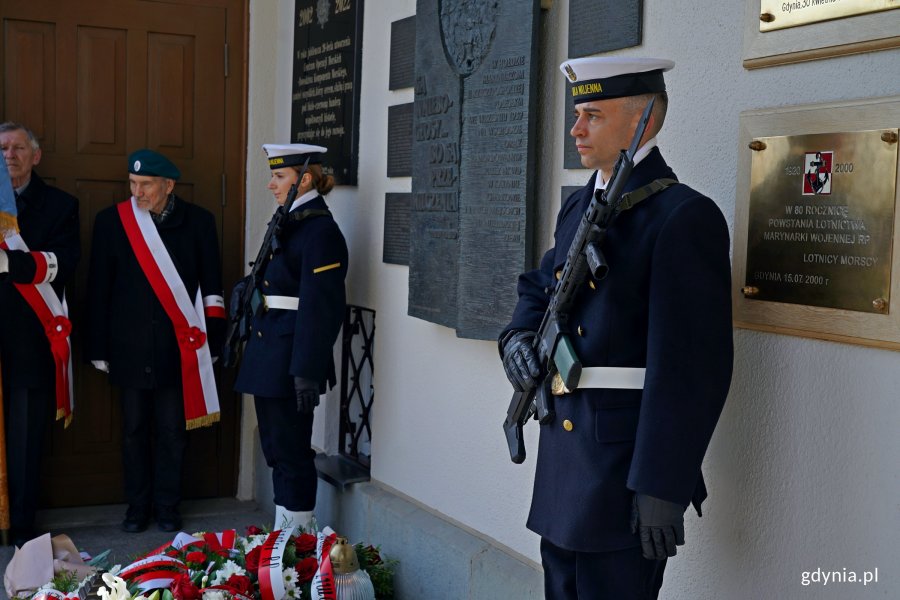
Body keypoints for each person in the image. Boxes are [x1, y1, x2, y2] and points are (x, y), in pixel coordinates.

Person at [499, 57, 733, 599]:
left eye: (593, 116)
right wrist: (515, 337)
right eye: (578, 114)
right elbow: (539, 286)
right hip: (565, 460)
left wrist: (662, 485)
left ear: (641, 122)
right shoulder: (580, 205)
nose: (576, 129)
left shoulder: (682, 216)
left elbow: (693, 370)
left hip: (625, 469)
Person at [86, 149, 225, 533]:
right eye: (132, 184)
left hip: (177, 349)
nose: (137, 192)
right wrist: (98, 347)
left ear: (168, 185)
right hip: (128, 348)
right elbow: (99, 288)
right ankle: (137, 507)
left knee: (171, 432)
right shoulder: (112, 222)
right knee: (132, 432)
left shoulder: (199, 222)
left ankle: (167, 507)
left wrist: (211, 342)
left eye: (145, 184)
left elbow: (213, 288)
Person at [234, 143, 348, 532]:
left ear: (306, 179)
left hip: (290, 358)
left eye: (279, 177)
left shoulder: (320, 231)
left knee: (292, 454)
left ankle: (295, 543)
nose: (272, 184)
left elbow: (321, 309)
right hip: (270, 352)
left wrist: (307, 371)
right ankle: (282, 538)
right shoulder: (291, 220)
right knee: (276, 451)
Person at [0, 122, 80, 547]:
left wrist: (13, 266)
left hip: (31, 341)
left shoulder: (60, 205)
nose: (9, 155)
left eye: (17, 148)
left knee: (26, 443)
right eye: (2, 149)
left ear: (36, 155)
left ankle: (22, 528)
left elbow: (65, 262)